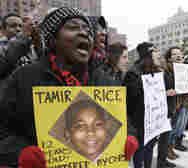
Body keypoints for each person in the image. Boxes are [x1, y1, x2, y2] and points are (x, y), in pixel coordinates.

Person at [0, 7, 130, 167]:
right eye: (73, 27)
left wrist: (129, 137)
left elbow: (124, 122)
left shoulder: (105, 81)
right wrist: (20, 153)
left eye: (87, 30)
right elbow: (4, 130)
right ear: (53, 40)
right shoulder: (24, 78)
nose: (84, 33)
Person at [124, 42, 176, 168]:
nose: (159, 56)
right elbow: (131, 100)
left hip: (153, 120)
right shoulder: (133, 73)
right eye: (155, 54)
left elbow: (157, 93)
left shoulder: (156, 72)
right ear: (147, 56)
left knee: (150, 148)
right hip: (140, 121)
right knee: (140, 151)